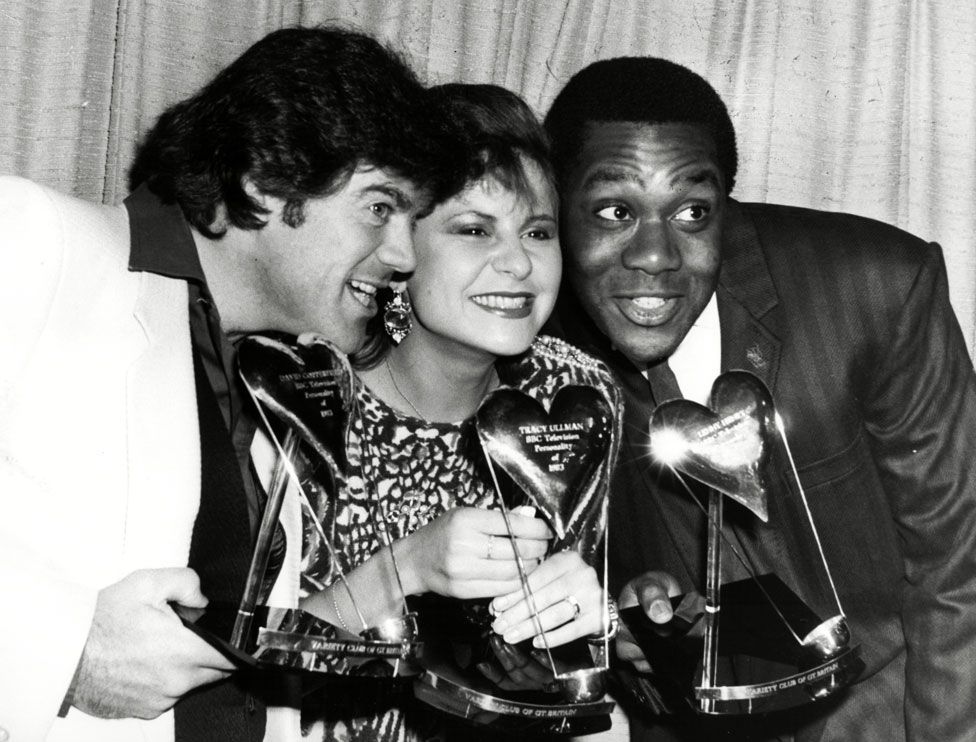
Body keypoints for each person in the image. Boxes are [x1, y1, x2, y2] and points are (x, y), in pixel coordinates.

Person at [0, 26, 461, 742]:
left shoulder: (265, 381)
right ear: (266, 177)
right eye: (379, 207)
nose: (403, 255)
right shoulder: (31, 239)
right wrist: (64, 651)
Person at [542, 56, 976, 741]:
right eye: (615, 210)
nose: (655, 254)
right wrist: (641, 623)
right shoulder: (540, 343)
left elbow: (960, 562)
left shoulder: (877, 289)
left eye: (691, 211)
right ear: (558, 207)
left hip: (892, 710)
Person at [297, 83, 621, 741]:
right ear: (399, 248)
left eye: (538, 231)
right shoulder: (306, 400)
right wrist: (406, 568)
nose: (519, 262)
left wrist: (595, 619)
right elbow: (235, 680)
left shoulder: (573, 392)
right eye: (474, 230)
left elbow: (564, 680)